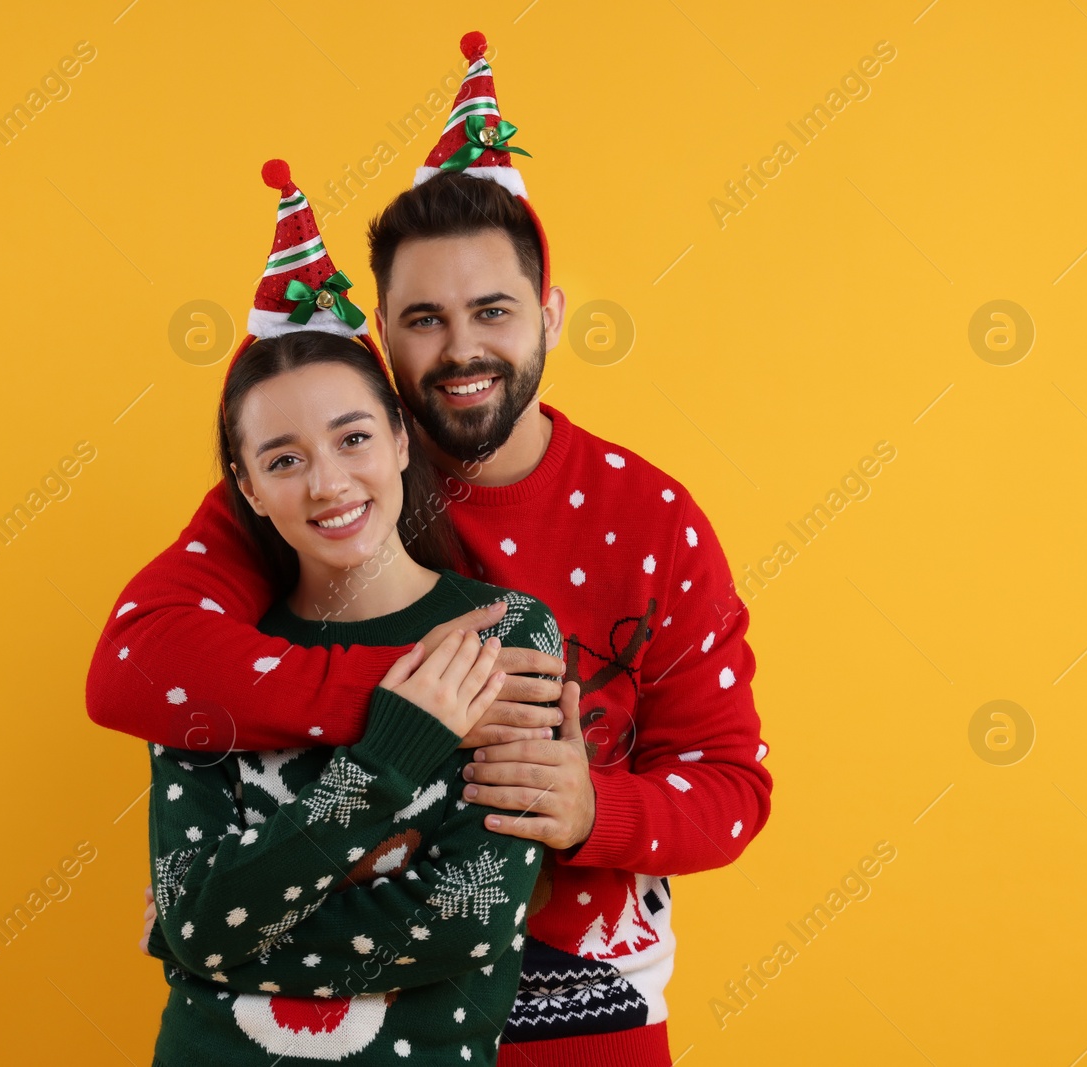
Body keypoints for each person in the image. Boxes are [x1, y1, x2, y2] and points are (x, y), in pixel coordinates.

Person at [93, 33, 773, 1067]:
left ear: (546, 314)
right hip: (330, 1031)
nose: (459, 349)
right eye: (423, 319)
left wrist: (594, 805)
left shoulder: (652, 520)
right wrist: (409, 703)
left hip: (581, 1015)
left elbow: (733, 784)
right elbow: (136, 665)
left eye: (492, 311)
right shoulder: (316, 494)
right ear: (381, 340)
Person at [142, 161, 568, 1065]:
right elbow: (200, 920)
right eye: (284, 458)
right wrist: (390, 755)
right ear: (248, 488)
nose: (329, 482)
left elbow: (469, 918)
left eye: (353, 437)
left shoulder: (503, 634)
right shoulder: (210, 655)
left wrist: (209, 940)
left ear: (400, 436)